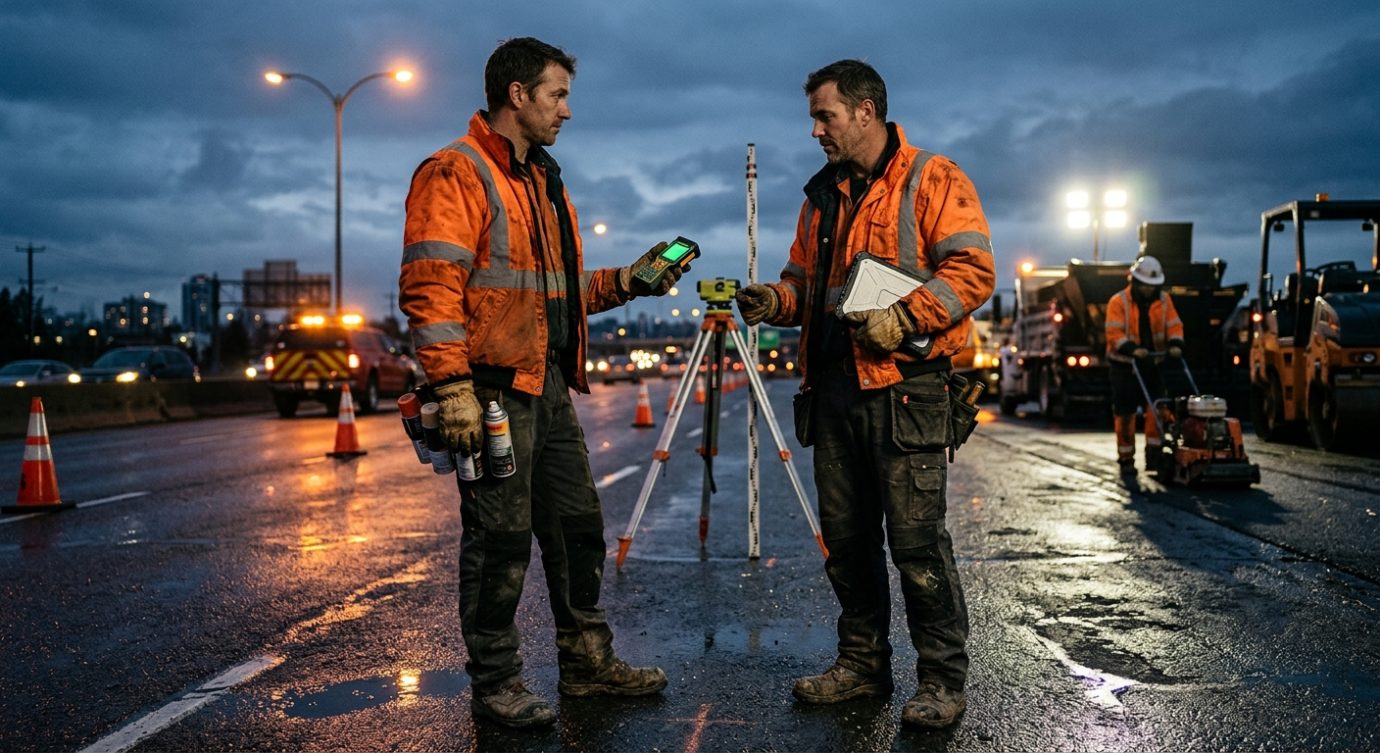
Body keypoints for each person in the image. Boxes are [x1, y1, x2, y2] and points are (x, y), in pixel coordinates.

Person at [398, 37, 682, 729]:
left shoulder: (539, 181)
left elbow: (552, 293)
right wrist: (454, 386)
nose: (567, 110)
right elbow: (431, 287)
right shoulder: (457, 172)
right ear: (517, 95)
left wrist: (628, 281)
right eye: (557, 94)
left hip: (543, 383)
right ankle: (496, 681)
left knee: (577, 525)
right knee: (499, 537)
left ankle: (586, 666)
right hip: (488, 388)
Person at [735, 59, 994, 729]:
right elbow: (804, 285)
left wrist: (905, 317)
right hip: (834, 391)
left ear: (865, 112)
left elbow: (973, 269)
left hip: (905, 393)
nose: (815, 128)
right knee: (848, 545)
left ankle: (940, 679)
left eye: (825, 115)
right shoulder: (822, 196)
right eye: (815, 116)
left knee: (916, 544)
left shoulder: (931, 178)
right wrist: (776, 299)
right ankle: (861, 664)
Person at [1104, 255, 1184, 470]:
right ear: (1136, 282)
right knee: (1126, 412)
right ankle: (1126, 458)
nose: (1149, 290)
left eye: (1153, 286)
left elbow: (1174, 325)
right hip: (1124, 365)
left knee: (1157, 407)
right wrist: (1132, 350)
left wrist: (1176, 343)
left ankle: (1155, 455)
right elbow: (1114, 333)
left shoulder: (1165, 300)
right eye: (1146, 286)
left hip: (1152, 363)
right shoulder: (1118, 302)